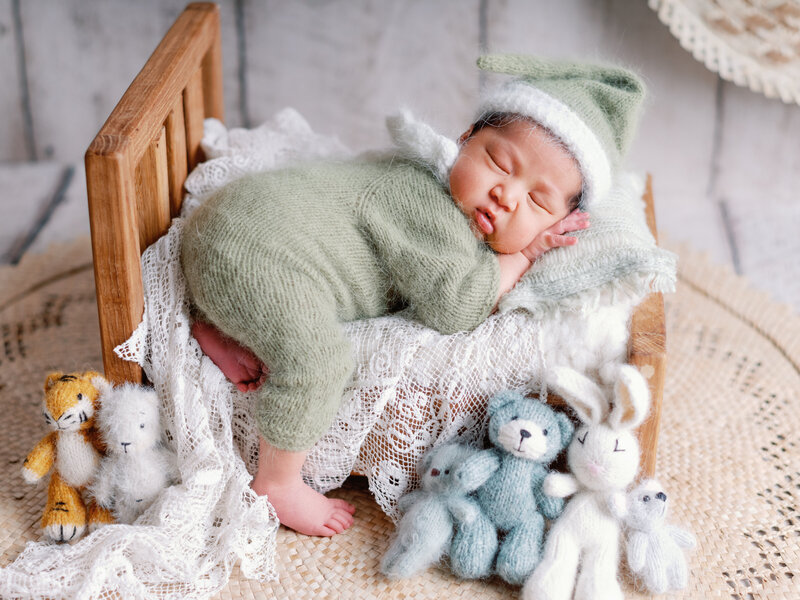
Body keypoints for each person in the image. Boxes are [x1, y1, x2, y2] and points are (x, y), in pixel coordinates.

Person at [180, 54, 645, 537]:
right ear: (464, 139)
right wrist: (524, 254)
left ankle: (218, 326)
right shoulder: (430, 205)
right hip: (257, 252)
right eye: (498, 162)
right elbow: (457, 307)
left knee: (277, 306)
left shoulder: (423, 179)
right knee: (320, 362)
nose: (505, 195)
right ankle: (277, 483)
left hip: (225, 232)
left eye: (537, 201)